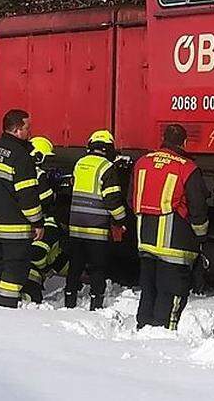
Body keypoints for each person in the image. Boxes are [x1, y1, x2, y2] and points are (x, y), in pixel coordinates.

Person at [132, 124, 210, 330]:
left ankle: (143, 327)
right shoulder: (187, 167)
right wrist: (201, 236)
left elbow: (132, 198)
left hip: (146, 242)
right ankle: (163, 334)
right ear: (184, 142)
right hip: (176, 245)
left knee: (149, 291)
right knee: (171, 296)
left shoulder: (142, 162)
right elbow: (198, 207)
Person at [0, 109, 44, 308]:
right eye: (27, 128)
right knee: (14, 266)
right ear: (17, 130)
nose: (29, 133)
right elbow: (28, 196)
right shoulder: (21, 157)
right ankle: (6, 304)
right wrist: (38, 223)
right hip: (14, 227)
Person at [64, 130, 127, 310]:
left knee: (75, 266)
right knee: (97, 268)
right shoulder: (107, 168)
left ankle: (69, 300)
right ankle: (95, 303)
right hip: (96, 229)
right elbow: (112, 200)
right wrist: (121, 219)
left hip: (76, 227)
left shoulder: (79, 163)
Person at [23, 136, 71, 303]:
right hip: (29, 281)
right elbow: (47, 199)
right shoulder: (49, 227)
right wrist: (47, 269)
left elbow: (56, 259)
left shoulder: (19, 169)